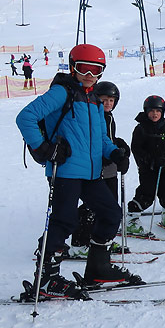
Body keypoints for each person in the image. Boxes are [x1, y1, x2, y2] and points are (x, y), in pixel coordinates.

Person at [16, 44, 137, 300]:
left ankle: (97, 268)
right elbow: (25, 117)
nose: (89, 75)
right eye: (84, 68)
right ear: (73, 66)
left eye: (96, 70)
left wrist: (114, 153)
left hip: (91, 173)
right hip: (66, 171)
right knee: (65, 221)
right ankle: (47, 279)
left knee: (110, 213)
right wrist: (45, 148)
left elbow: (101, 138)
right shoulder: (62, 92)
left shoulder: (94, 100)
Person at [71, 81, 130, 258]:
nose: (108, 104)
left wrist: (118, 146)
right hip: (95, 168)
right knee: (93, 206)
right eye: (104, 100)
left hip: (109, 167)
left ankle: (103, 239)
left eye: (112, 100)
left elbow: (107, 138)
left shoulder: (109, 117)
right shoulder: (93, 116)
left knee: (110, 205)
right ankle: (80, 242)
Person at [126, 95, 165, 234]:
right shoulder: (141, 128)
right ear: (146, 111)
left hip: (164, 168)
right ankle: (132, 218)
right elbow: (136, 148)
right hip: (148, 169)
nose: (154, 114)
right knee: (147, 193)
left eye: (158, 111)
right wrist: (149, 160)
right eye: (151, 111)